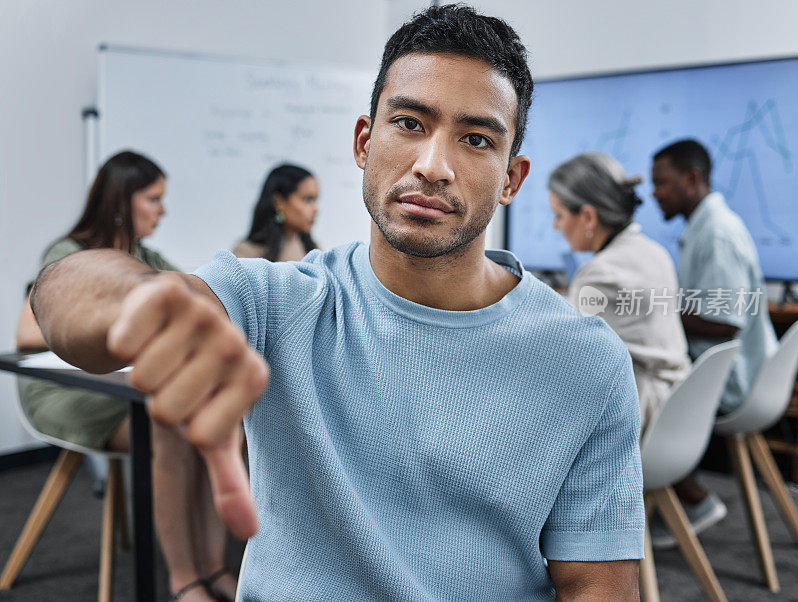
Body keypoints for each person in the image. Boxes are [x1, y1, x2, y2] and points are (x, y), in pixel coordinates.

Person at [30, 6, 644, 600]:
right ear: (363, 141)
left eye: (477, 139)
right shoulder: (275, 303)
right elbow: (62, 295)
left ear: (511, 178)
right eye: (409, 123)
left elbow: (596, 587)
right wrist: (142, 298)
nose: (433, 166)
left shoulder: (584, 361)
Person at [16, 151, 237, 602]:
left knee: (212, 423)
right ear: (122, 200)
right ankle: (184, 580)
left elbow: (194, 301)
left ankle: (215, 569)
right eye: (153, 199)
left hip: (124, 389)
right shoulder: (67, 255)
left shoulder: (146, 256)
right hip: (67, 395)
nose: (163, 210)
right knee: (170, 427)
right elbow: (25, 334)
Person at [649, 138, 778, 546]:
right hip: (743, 372)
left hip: (736, 382)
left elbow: (725, 323)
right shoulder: (705, 226)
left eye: (662, 184)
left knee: (638, 389)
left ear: (692, 179)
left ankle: (692, 501)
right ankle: (678, 500)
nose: (654, 194)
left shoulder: (716, 235)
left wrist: (660, 313)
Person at [549, 152, 691, 433]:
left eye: (559, 215)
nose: (556, 226)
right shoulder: (653, 252)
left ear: (588, 217)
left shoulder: (602, 272)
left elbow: (564, 353)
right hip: (676, 408)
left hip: (643, 412)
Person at [232, 164, 319, 261]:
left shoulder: (314, 251)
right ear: (279, 203)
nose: (316, 209)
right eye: (307, 199)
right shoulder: (246, 254)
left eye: (315, 200)